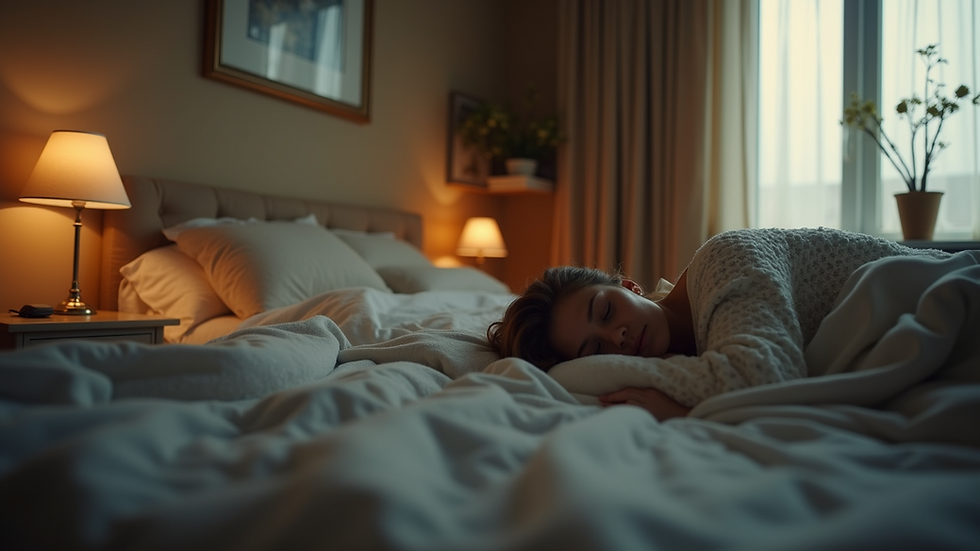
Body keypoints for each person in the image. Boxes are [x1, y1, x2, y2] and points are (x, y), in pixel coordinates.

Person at [487, 227, 949, 420]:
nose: (618, 338)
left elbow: (768, 375)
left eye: (606, 311)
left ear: (629, 286)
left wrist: (682, 412)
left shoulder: (722, 259)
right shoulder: (698, 349)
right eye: (596, 352)